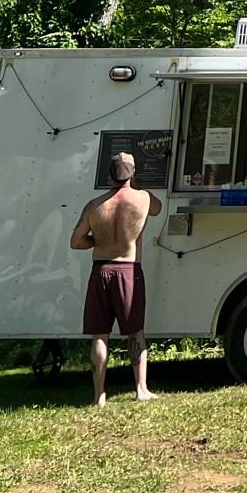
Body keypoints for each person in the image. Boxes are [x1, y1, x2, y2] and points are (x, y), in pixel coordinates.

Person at [69, 151, 162, 406]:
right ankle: (141, 389)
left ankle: (99, 395)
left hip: (100, 270)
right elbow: (158, 208)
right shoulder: (143, 199)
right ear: (133, 173)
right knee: (135, 333)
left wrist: (98, 241)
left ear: (109, 175)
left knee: (100, 334)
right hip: (128, 270)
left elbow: (76, 242)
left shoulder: (94, 205)